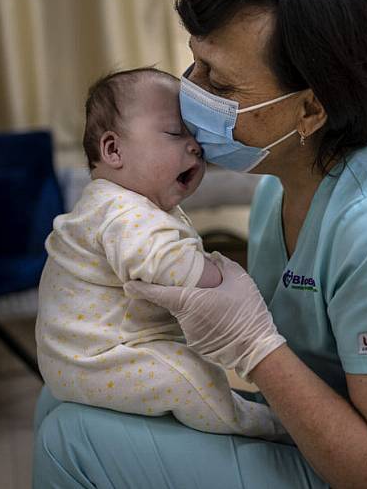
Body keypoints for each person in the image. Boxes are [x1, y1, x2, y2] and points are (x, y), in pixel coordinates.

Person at [33, 0, 367, 489]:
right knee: (70, 389)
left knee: (72, 440)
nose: (189, 95)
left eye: (220, 86)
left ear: (310, 112)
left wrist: (253, 347)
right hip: (341, 422)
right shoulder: (281, 185)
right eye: (194, 64)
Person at [35, 68, 285, 440]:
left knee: (193, 358)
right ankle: (254, 425)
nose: (195, 147)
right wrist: (220, 275)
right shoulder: (123, 211)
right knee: (186, 374)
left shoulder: (114, 203)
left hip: (80, 357)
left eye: (196, 137)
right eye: (174, 133)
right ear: (114, 149)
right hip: (104, 357)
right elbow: (172, 267)